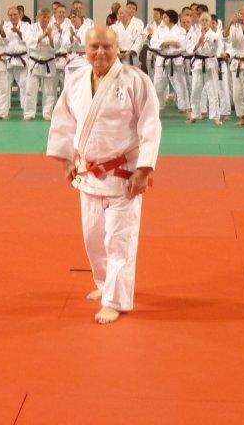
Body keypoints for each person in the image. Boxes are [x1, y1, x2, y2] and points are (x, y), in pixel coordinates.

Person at [47, 25, 162, 325]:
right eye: (94, 47)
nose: (100, 52)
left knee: (118, 240)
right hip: (88, 174)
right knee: (93, 238)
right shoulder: (76, 80)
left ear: (118, 49)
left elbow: (150, 126)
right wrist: (66, 162)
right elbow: (63, 122)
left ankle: (115, 300)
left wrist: (144, 169)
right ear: (85, 50)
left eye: (107, 47)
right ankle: (104, 283)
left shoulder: (136, 80)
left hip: (124, 176)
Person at [24, 9, 59, 120]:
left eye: (48, 17)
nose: (46, 19)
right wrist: (43, 35)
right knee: (30, 90)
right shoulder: (31, 28)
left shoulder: (54, 29)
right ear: (38, 17)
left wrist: (50, 36)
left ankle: (47, 113)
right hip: (34, 62)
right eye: (43, 17)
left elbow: (57, 46)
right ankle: (29, 114)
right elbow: (29, 42)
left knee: (49, 91)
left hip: (49, 62)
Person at [188, 12, 222, 125]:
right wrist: (199, 42)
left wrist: (214, 43)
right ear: (199, 22)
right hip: (198, 63)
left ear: (210, 22)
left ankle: (216, 117)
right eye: (202, 20)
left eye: (206, 20)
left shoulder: (214, 35)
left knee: (213, 91)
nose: (204, 22)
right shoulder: (194, 34)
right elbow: (189, 49)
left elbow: (217, 50)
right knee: (195, 90)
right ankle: (194, 115)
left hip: (210, 63)